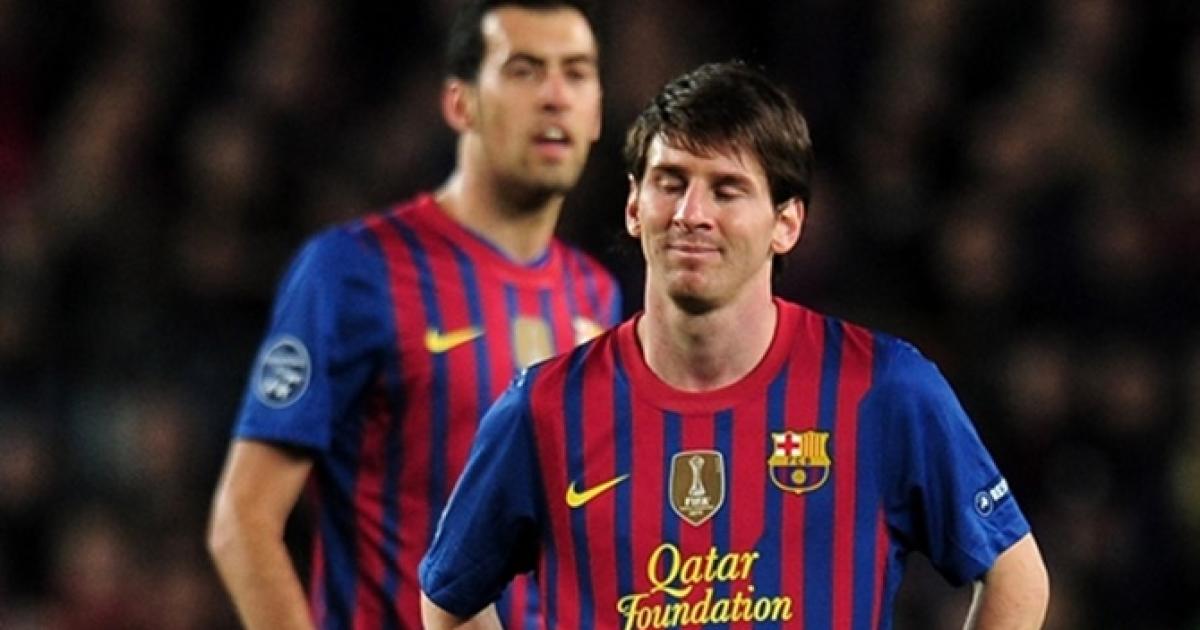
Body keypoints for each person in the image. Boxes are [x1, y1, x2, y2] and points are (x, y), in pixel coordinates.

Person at [419, 61, 1050, 629]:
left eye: (726, 190)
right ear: (635, 206)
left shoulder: (881, 388)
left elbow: (1016, 578)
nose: (692, 213)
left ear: (786, 223)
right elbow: (450, 596)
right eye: (670, 182)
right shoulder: (546, 408)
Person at [206, 1, 620, 628]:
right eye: (524, 71)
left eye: (577, 73)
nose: (555, 97)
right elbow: (243, 521)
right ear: (460, 104)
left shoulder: (596, 296)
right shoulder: (353, 271)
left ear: (597, 114)